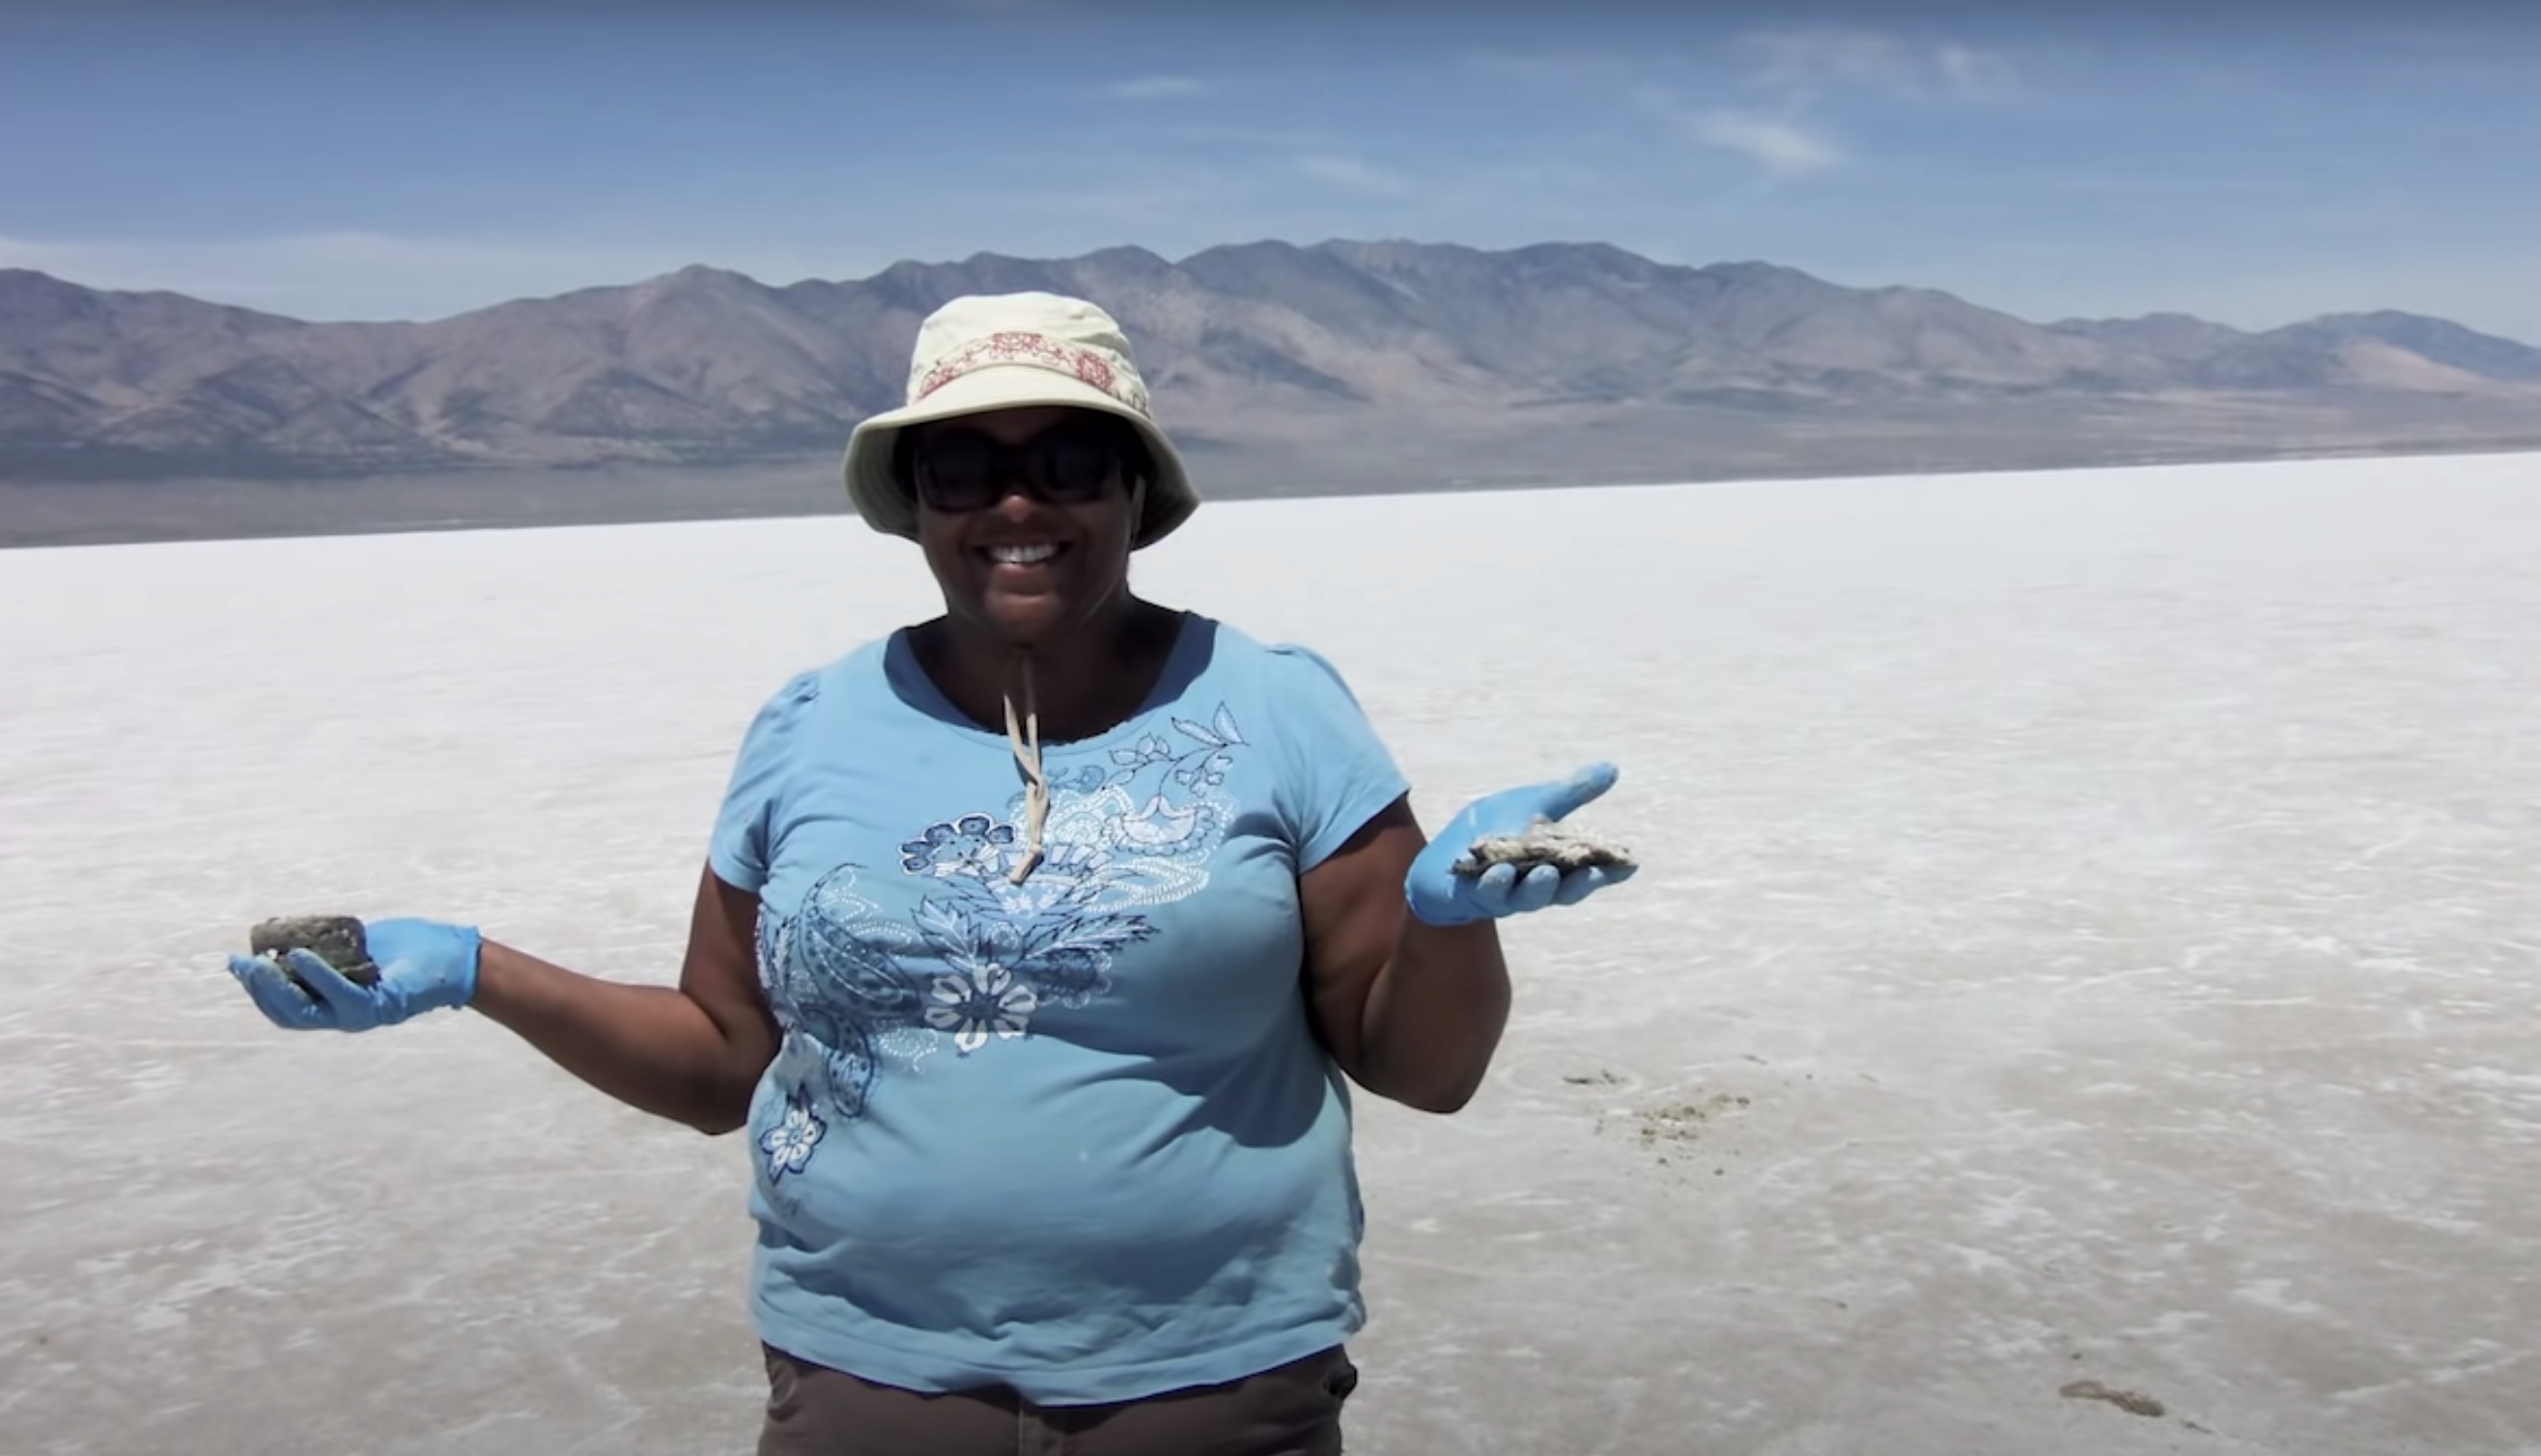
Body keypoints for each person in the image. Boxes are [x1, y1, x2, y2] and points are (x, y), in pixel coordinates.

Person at [224, 291, 1630, 1455]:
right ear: (913, 504)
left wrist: (1449, 929)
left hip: (1216, 1386)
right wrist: (479, 971)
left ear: (1137, 488)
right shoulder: (810, 726)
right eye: (964, 466)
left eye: (1072, 459)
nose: (1019, 502)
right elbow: (723, 1060)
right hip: (868, 1383)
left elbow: (1422, 1069)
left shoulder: (1278, 707)